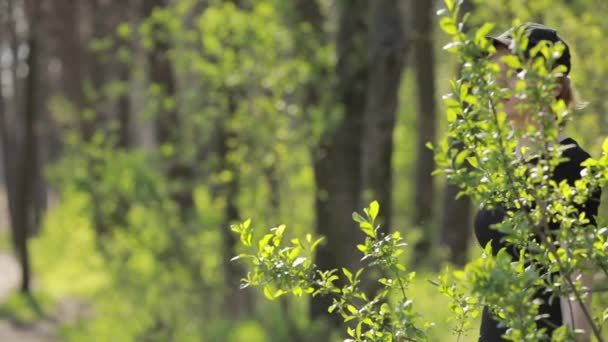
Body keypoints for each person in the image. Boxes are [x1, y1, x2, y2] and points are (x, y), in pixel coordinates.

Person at [473, 23, 602, 341]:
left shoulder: (573, 166)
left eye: (514, 72)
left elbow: (577, 277)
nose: (500, 84)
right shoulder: (504, 166)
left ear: (554, 85)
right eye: (496, 73)